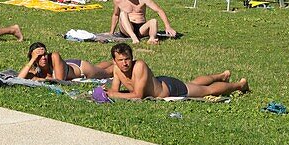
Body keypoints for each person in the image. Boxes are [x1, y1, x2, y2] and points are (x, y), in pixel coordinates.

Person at [106, 43, 249, 100]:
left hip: (169, 89)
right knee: (193, 84)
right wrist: (110, 93)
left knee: (206, 90)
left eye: (127, 59)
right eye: (120, 60)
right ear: (114, 61)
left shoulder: (139, 66)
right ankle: (222, 75)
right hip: (160, 83)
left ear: (132, 57)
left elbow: (138, 95)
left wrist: (113, 94)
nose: (125, 63)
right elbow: (114, 90)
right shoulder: (117, 70)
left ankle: (239, 85)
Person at [111, 0, 177, 44]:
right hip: (127, 29)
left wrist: (168, 27)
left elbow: (159, 10)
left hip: (141, 28)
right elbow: (116, 15)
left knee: (154, 21)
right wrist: (111, 32)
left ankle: (152, 39)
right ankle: (134, 37)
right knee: (123, 14)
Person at [19, 42, 111, 81]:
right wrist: (32, 59)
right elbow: (19, 78)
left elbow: (59, 81)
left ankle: (118, 62)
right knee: (98, 67)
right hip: (68, 66)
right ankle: (113, 61)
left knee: (107, 72)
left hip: (81, 69)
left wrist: (38, 79)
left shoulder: (54, 56)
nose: (43, 58)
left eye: (45, 54)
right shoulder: (34, 68)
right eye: (39, 56)